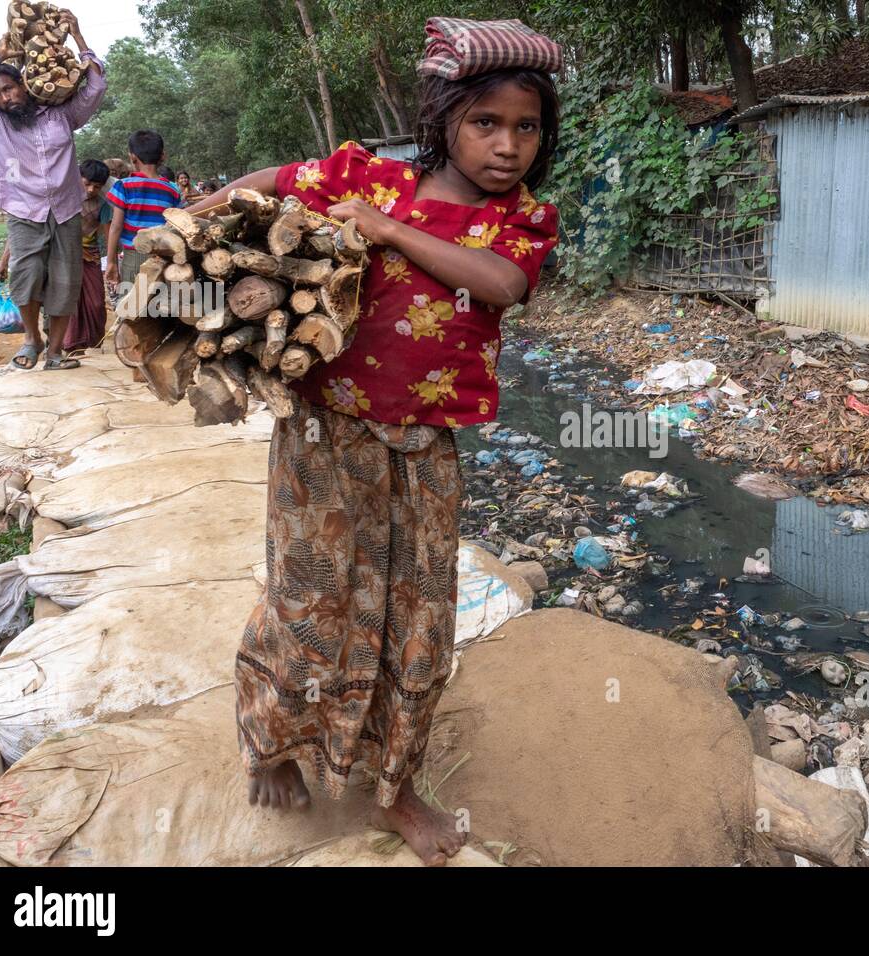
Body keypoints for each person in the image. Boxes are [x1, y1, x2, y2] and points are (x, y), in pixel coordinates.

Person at [187, 16, 562, 866]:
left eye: (526, 127)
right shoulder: (364, 176)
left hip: (424, 448)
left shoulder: (520, 222)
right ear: (444, 122)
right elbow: (276, 180)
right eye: (486, 123)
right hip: (323, 435)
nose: (507, 146)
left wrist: (389, 233)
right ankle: (273, 741)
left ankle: (394, 785)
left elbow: (502, 286)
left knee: (418, 615)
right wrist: (201, 219)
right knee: (311, 596)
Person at [0, 12, 106, 370]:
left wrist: (78, 35)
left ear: (24, 85)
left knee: (64, 282)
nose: (4, 97)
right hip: (23, 210)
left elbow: (96, 88)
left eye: (8, 88)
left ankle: (56, 352)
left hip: (66, 210)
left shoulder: (62, 115)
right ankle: (32, 340)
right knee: (24, 279)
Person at [104, 130, 183, 295]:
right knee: (160, 310)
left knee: (132, 310)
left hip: (134, 258)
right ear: (163, 156)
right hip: (165, 259)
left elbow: (116, 227)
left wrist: (111, 262)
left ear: (132, 157)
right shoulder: (173, 189)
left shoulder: (123, 186)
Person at [63, 159, 112, 353]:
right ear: (78, 179)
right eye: (87, 184)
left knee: (96, 302)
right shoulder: (65, 200)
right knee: (69, 302)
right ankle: (72, 345)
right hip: (65, 257)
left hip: (91, 258)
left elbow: (109, 235)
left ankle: (94, 341)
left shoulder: (103, 205)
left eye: (97, 186)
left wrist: (110, 262)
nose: (91, 189)